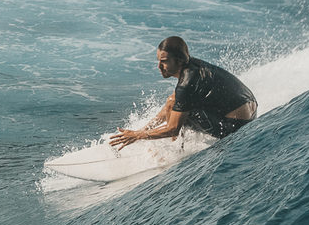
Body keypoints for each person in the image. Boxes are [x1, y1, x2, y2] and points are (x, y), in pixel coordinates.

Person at [110, 36, 257, 148]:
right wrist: (144, 129)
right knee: (173, 102)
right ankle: (172, 145)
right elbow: (172, 103)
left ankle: (174, 150)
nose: (159, 66)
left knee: (180, 116)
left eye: (164, 61)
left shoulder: (186, 84)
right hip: (250, 110)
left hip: (236, 126)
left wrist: (138, 136)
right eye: (158, 61)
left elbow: (173, 128)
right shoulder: (192, 66)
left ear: (179, 60)